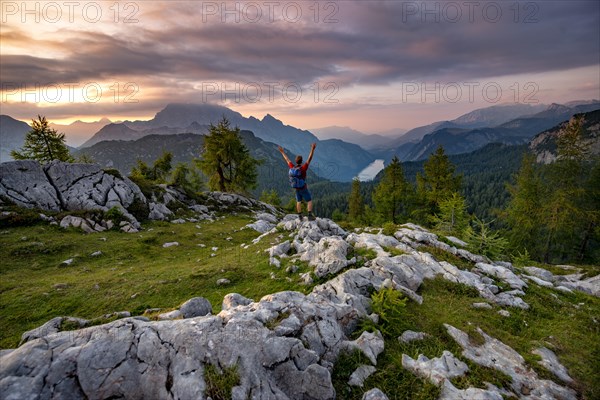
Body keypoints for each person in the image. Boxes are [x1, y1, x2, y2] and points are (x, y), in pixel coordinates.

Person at [278, 143, 317, 220]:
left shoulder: (292, 167)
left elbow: (287, 159)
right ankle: (309, 215)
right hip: (303, 187)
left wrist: (282, 152)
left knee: (298, 201)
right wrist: (312, 149)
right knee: (309, 200)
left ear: (296, 161)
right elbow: (309, 159)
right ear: (301, 161)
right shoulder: (303, 168)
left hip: (296, 188)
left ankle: (300, 216)